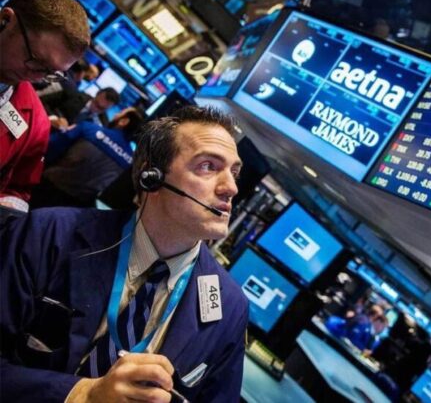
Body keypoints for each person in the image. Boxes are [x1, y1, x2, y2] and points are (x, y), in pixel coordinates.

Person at [0, 106, 249, 402]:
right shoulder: (48, 234)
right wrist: (81, 394)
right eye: (208, 166)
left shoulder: (231, 307)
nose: (231, 188)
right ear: (151, 177)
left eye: (234, 173)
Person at [0, 0, 90, 212]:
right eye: (36, 60)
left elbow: (17, 190)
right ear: (5, 20)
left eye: (51, 72)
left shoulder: (36, 123)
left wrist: (9, 207)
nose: (38, 77)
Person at [30, 107, 146, 208]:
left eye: (120, 113)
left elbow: (50, 146)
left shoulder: (88, 129)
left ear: (123, 121)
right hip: (73, 208)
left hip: (43, 189)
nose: (116, 114)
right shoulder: (129, 163)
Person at [42, 86, 120, 131]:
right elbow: (43, 101)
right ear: (96, 94)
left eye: (101, 109)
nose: (96, 109)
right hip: (45, 127)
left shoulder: (102, 125)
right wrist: (53, 118)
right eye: (96, 104)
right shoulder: (73, 95)